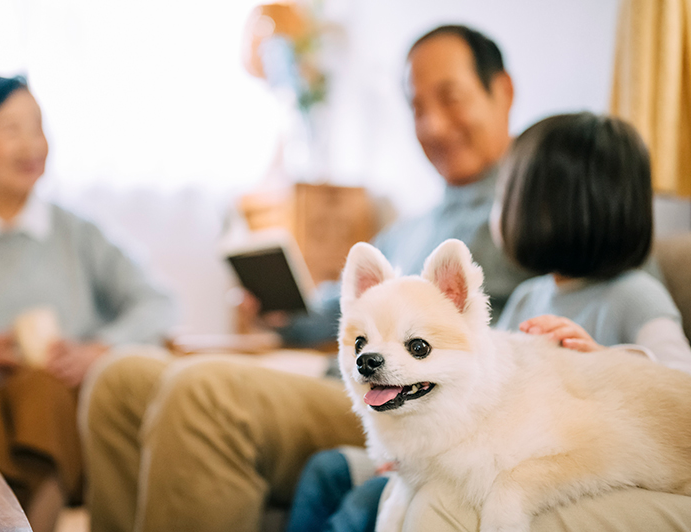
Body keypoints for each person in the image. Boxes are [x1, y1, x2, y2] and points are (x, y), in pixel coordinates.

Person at [80, 24, 532, 532]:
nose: (432, 125)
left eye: (450, 98)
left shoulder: (537, 219)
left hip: (413, 406)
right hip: (341, 378)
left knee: (203, 392)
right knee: (119, 379)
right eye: (416, 107)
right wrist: (286, 312)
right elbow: (335, 316)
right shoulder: (409, 228)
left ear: (504, 92)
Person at [310, 112, 691, 532]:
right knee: (329, 471)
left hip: (564, 452)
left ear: (551, 206)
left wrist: (607, 354)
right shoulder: (532, 293)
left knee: (374, 503)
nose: (494, 207)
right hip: (439, 446)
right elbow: (483, 378)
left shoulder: (633, 293)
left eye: (506, 193)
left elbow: (679, 377)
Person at [0, 75, 177, 532]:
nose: (32, 145)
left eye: (38, 127)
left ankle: (34, 521)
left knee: (42, 387)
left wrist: (99, 348)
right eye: (11, 129)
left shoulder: (80, 235)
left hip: (51, 407)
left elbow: (157, 304)